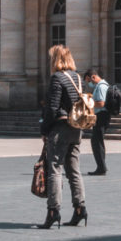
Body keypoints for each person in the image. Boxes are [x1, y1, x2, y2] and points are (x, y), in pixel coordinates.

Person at [40, 45, 87, 228]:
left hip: (60, 128)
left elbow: (52, 108)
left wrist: (44, 130)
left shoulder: (57, 78)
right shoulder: (77, 78)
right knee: (74, 170)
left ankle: (53, 211)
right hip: (76, 128)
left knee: (55, 169)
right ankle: (79, 208)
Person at [83, 68, 109, 176]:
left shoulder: (102, 86)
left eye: (89, 81)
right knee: (97, 141)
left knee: (97, 142)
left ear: (93, 77)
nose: (89, 84)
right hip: (100, 116)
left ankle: (101, 167)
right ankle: (101, 166)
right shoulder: (100, 86)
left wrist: (89, 103)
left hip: (102, 116)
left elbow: (101, 103)